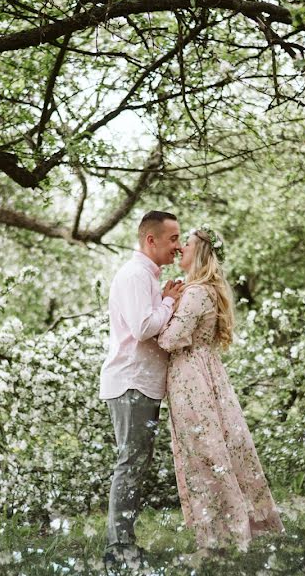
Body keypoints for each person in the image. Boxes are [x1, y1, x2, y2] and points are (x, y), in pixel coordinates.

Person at [158, 226, 283, 556]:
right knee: (218, 448)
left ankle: (218, 539)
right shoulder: (204, 290)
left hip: (190, 378)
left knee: (203, 454)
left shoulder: (196, 292)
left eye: (186, 243)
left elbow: (171, 340)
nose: (180, 247)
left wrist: (162, 308)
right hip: (208, 373)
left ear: (200, 252)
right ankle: (232, 529)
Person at [99, 210, 183, 568]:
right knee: (130, 464)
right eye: (173, 239)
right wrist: (168, 302)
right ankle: (118, 549)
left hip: (142, 384)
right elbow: (143, 326)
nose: (178, 247)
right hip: (130, 382)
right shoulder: (135, 275)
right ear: (151, 240)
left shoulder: (148, 275)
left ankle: (123, 542)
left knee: (135, 464)